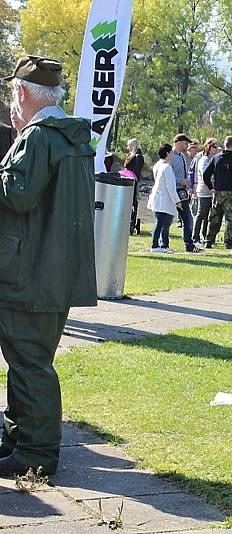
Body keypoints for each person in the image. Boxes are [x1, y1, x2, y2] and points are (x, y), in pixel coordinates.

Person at [0, 55, 97, 476]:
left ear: (21, 93)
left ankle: (36, 452)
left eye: (12, 98)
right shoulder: (72, 137)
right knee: (31, 358)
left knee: (29, 362)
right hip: (55, 269)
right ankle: (20, 438)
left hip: (29, 271)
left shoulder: (38, 138)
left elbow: (17, 197)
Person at [203, 135, 232, 249]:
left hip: (218, 192)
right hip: (231, 193)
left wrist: (211, 187)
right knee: (230, 219)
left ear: (224, 144)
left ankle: (209, 240)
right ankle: (228, 241)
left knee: (215, 217)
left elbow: (206, 174)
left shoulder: (216, 158)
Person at [170, 134, 202, 253]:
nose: (186, 145)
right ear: (178, 142)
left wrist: (187, 183)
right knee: (166, 218)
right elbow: (167, 175)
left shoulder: (182, 157)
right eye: (184, 143)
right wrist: (180, 181)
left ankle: (189, 244)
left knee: (187, 218)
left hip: (182, 190)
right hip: (173, 189)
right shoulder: (170, 156)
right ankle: (162, 244)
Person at [148, 144, 181, 253]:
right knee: (160, 222)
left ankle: (164, 245)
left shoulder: (158, 164)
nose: (172, 154)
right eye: (171, 152)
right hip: (163, 198)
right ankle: (155, 245)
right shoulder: (166, 167)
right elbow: (171, 186)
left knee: (164, 222)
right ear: (167, 153)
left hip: (159, 196)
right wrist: (177, 201)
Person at [191, 138, 219, 245]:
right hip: (203, 191)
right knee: (201, 213)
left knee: (208, 216)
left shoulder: (213, 159)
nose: (216, 149)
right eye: (214, 147)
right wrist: (211, 188)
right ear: (209, 148)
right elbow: (205, 175)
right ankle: (195, 237)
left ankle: (204, 236)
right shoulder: (204, 160)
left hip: (210, 192)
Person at [124, 138, 145, 233]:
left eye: (129, 146)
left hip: (133, 181)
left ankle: (132, 222)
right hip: (126, 180)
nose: (127, 148)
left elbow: (136, 171)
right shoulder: (130, 155)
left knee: (133, 202)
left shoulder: (138, 157)